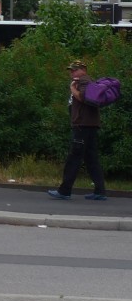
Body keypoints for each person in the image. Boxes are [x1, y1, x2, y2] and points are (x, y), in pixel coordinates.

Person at [47, 59, 107, 201]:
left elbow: (84, 98)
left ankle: (64, 191)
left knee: (74, 158)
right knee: (91, 159)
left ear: (83, 69)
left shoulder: (84, 81)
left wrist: (73, 89)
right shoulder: (86, 81)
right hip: (89, 125)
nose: (72, 72)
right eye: (71, 70)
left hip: (82, 126)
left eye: (74, 70)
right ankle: (100, 191)